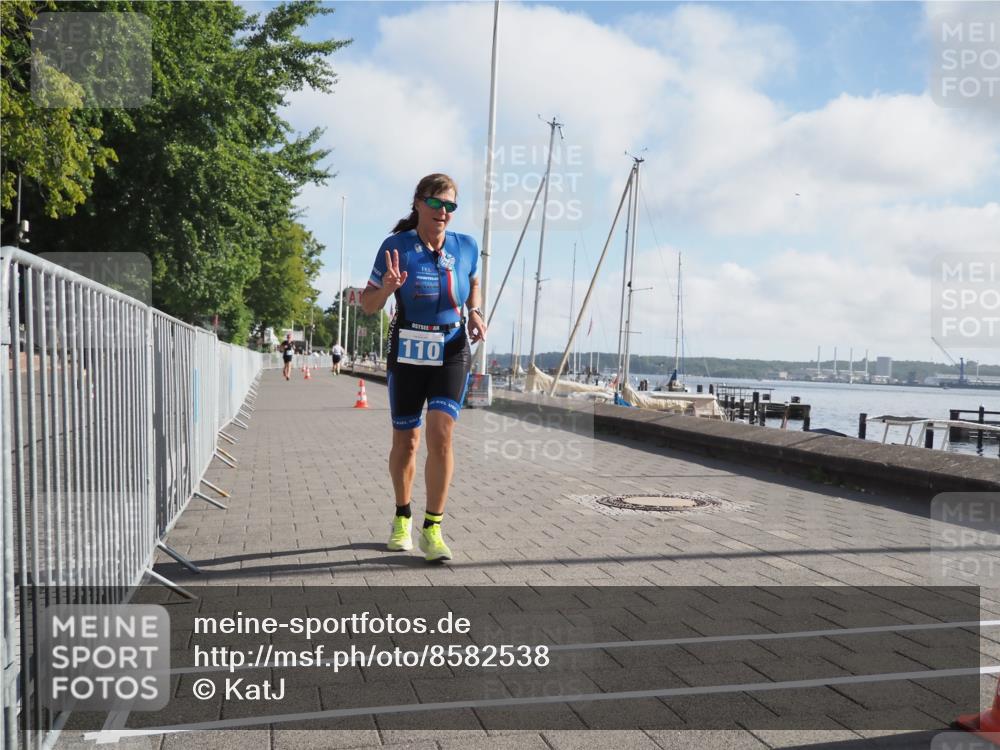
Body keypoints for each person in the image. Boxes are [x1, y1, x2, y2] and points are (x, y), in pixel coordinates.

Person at [360, 173, 486, 563]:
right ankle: (402, 518)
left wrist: (475, 311)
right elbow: (368, 305)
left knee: (441, 433)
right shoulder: (396, 247)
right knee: (407, 441)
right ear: (418, 203)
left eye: (450, 206)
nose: (443, 213)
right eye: (436, 204)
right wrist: (388, 287)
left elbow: (473, 280)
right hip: (409, 347)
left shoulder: (466, 246)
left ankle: (433, 527)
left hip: (451, 347)